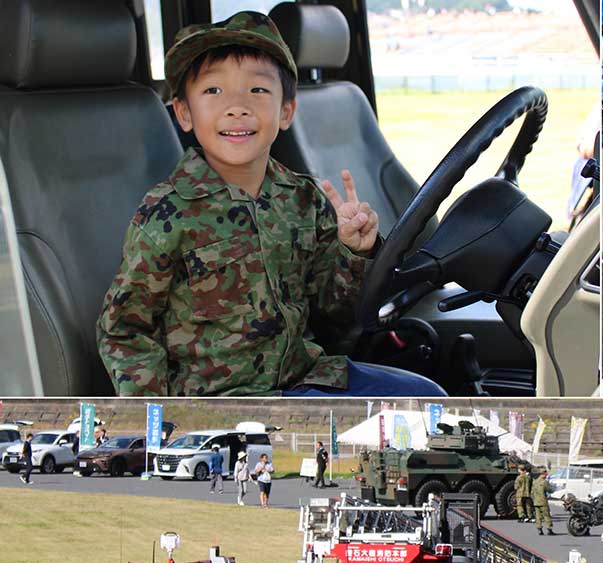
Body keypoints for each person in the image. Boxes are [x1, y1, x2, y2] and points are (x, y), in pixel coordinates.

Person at [95, 11, 443, 398]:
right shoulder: (167, 213)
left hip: (307, 377)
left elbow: (336, 312)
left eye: (257, 91)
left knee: (428, 400)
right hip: (227, 406)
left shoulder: (302, 197)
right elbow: (125, 329)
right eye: (213, 91)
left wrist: (354, 252)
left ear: (286, 112)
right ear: (184, 113)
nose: (237, 106)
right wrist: (162, 421)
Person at [532, 468, 555, 536]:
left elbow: (532, 492)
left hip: (536, 501)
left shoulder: (534, 482)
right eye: (546, 474)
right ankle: (549, 529)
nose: (546, 475)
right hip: (543, 501)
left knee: (538, 516)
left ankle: (539, 530)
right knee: (546, 515)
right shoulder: (544, 482)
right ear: (543, 474)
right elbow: (550, 490)